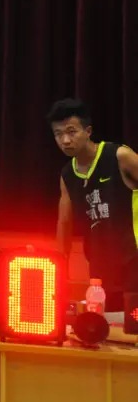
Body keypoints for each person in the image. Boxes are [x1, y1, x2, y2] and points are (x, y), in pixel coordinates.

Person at [49, 98, 138, 312]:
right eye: (58, 134)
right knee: (108, 324)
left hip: (134, 259)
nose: (65, 140)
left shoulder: (119, 156)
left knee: (133, 323)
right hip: (100, 268)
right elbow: (64, 223)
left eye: (71, 132)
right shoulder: (67, 174)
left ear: (88, 131)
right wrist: (60, 269)